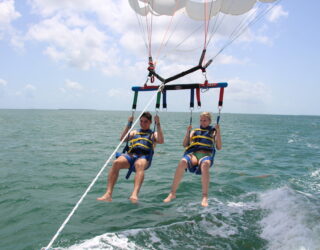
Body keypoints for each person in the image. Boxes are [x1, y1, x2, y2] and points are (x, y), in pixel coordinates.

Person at [97, 112, 164, 203]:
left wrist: (158, 124)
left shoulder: (153, 134)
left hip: (144, 157)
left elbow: (161, 141)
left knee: (139, 164)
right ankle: (108, 194)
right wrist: (129, 124)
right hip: (131, 155)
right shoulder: (134, 132)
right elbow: (122, 139)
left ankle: (134, 194)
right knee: (116, 163)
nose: (143, 123)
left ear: (150, 122)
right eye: (141, 121)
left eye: (145, 121)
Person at [163, 112, 221, 207]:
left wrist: (219, 132)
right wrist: (188, 132)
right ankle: (172, 193)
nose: (202, 122)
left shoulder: (213, 131)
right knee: (182, 162)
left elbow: (219, 147)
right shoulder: (195, 131)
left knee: (205, 164)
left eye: (205, 120)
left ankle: (205, 196)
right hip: (194, 154)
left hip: (206, 155)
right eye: (201, 120)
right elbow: (185, 145)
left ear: (209, 121)